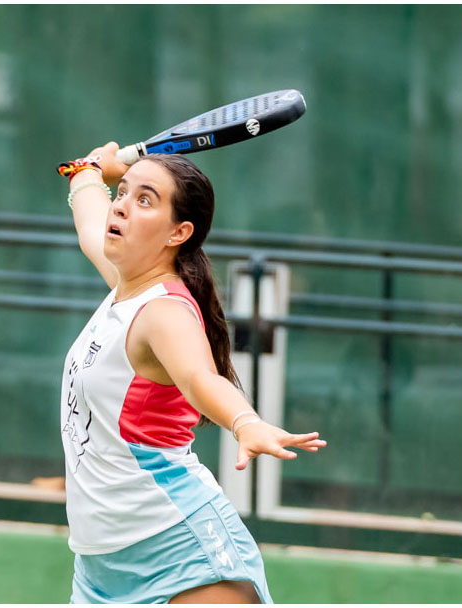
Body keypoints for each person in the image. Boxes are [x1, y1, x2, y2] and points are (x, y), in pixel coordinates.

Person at [58, 142, 326, 604]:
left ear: (178, 232)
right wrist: (89, 170)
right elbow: (89, 222)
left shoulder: (164, 312)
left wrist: (245, 422)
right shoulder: (125, 286)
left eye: (145, 200)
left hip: (184, 553)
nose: (120, 206)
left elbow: (201, 379)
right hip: (100, 567)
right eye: (122, 193)